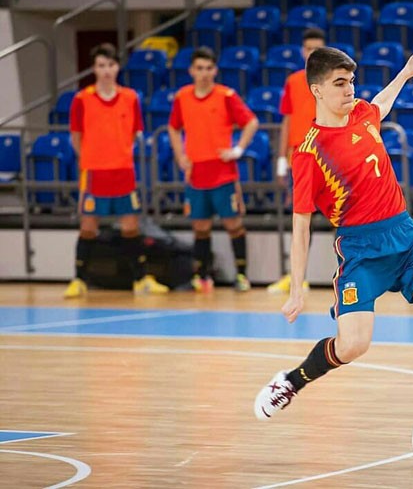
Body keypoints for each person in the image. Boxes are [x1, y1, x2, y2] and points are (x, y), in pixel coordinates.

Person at [252, 47, 413, 461]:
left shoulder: (362, 115)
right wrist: (297, 289)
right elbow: (301, 224)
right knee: (354, 345)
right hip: (361, 250)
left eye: (352, 81)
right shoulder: (309, 152)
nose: (350, 89)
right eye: (340, 83)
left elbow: (380, 103)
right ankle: (292, 380)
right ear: (317, 90)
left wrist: (406, 74)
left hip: (405, 237)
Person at [64, 43, 169, 298]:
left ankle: (140, 278)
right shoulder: (82, 99)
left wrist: (118, 153)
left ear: (118, 67)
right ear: (94, 68)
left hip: (123, 171)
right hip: (94, 172)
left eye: (111, 65)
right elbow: (76, 136)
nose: (107, 70)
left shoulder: (131, 97)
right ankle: (79, 279)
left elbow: (134, 133)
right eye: (101, 65)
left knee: (130, 226)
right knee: (88, 226)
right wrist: (91, 158)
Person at [168, 47, 259, 293]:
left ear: (215, 70)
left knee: (233, 224)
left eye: (209, 68)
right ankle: (202, 276)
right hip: (196, 174)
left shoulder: (226, 95)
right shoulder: (182, 97)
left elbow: (251, 121)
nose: (204, 73)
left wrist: (237, 149)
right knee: (200, 227)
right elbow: (173, 127)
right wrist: (180, 155)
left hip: (223, 173)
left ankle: (241, 275)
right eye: (199, 68)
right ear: (191, 71)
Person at [267, 28, 326, 294]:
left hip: (327, 156)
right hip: (300, 158)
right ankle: (296, 278)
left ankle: (350, 271)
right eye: (308, 48)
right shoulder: (292, 81)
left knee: (343, 216)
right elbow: (287, 120)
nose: (312, 53)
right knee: (301, 218)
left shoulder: (331, 80)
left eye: (317, 48)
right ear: (302, 51)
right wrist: (282, 158)